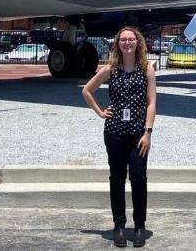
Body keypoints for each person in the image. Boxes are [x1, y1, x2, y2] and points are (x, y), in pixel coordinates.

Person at [82, 27, 157, 248]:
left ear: (138, 42)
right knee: (116, 179)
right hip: (114, 133)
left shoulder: (147, 69)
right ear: (118, 44)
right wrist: (100, 112)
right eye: (123, 40)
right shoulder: (111, 69)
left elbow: (152, 103)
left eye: (130, 39)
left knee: (139, 179)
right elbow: (87, 90)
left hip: (138, 135)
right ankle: (119, 226)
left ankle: (140, 226)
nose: (127, 43)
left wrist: (148, 132)